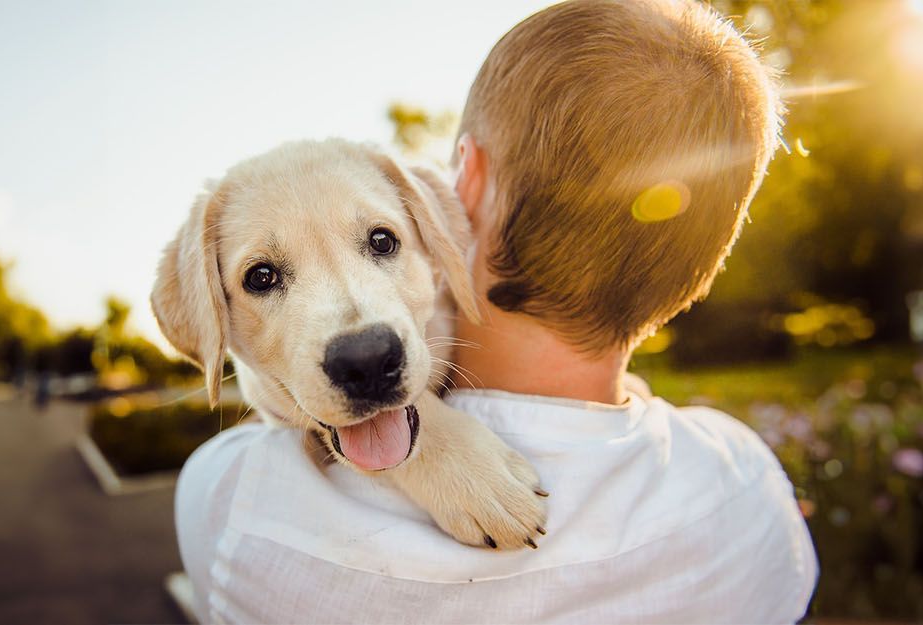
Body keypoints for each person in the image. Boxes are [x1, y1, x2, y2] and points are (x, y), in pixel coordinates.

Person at [174, 1, 817, 622]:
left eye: (381, 243)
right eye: (264, 277)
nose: (359, 334)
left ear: (464, 187)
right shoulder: (749, 484)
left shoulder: (234, 504)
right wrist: (428, 441)